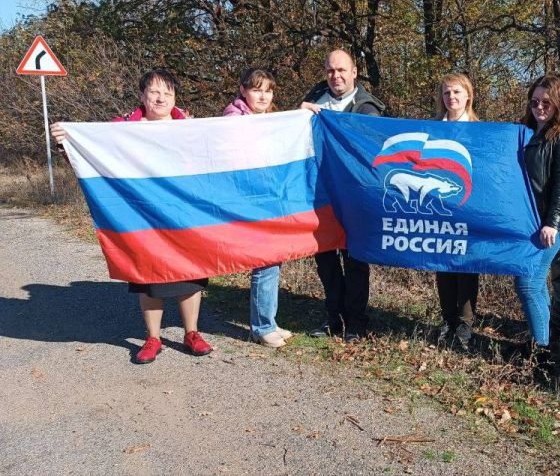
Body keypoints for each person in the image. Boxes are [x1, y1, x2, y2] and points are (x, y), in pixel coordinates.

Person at [51, 69, 213, 364]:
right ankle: (153, 337)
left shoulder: (189, 127)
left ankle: (192, 333)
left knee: (191, 271)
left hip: (182, 211)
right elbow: (93, 156)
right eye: (154, 92)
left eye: (167, 92)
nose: (160, 98)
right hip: (139, 211)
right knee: (150, 275)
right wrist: (67, 142)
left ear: (175, 97)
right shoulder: (121, 128)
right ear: (142, 96)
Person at [301, 49, 386, 343]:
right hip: (319, 195)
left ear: (354, 72)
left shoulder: (367, 108)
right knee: (325, 259)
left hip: (353, 198)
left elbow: (372, 153)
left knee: (354, 260)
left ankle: (356, 321)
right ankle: (333, 317)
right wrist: (298, 116)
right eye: (330, 71)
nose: (335, 76)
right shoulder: (314, 99)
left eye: (341, 70)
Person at [222, 67, 294, 348]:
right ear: (243, 90)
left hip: (270, 197)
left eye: (268, 90)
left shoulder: (273, 119)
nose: (263, 96)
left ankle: (269, 321)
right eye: (256, 89)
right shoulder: (234, 118)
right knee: (265, 259)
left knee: (272, 259)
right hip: (248, 200)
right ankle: (261, 326)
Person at [515, 75, 560, 358]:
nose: (539, 107)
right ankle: (543, 339)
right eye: (534, 102)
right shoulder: (527, 132)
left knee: (527, 281)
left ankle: (541, 353)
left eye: (546, 102)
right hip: (529, 219)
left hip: (552, 221)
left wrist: (551, 223)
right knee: (536, 281)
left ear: (557, 103)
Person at [432, 73, 480, 349]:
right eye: (447, 93)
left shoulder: (478, 130)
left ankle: (465, 323)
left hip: (467, 207)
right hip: (441, 207)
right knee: (443, 264)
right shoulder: (434, 129)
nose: (451, 98)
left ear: (468, 96)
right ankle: (447, 318)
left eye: (457, 93)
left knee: (466, 265)